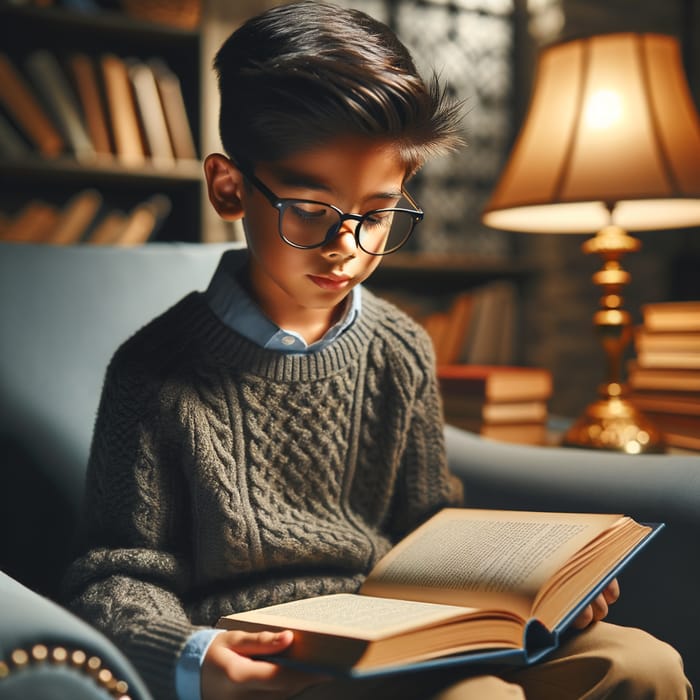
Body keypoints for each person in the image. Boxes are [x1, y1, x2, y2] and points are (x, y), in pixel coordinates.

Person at [63, 2, 693, 699]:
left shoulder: (400, 347)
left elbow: (425, 529)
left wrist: (542, 595)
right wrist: (193, 654)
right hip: (279, 658)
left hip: (409, 631)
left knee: (645, 663)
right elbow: (117, 574)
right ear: (229, 187)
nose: (349, 246)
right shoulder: (155, 371)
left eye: (377, 213)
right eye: (310, 208)